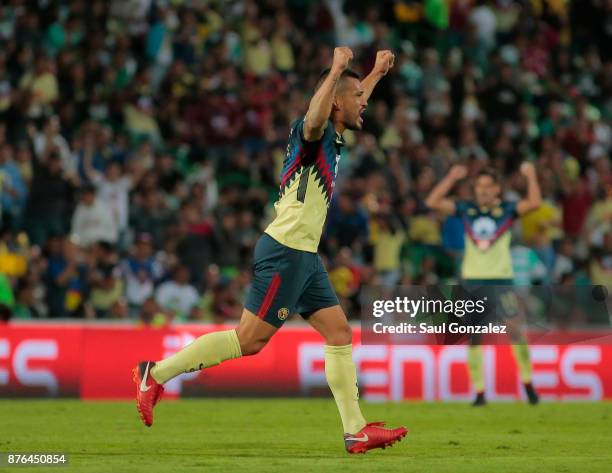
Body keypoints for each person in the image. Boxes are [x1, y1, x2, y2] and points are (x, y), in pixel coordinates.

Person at [133, 47, 407, 453]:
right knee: (249, 340)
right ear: (335, 100)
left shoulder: (333, 130)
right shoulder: (310, 132)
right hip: (286, 251)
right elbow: (320, 113)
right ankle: (154, 374)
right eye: (358, 98)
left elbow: (344, 100)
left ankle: (355, 430)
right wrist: (335, 68)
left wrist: (376, 73)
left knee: (338, 332)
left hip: (304, 255)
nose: (365, 103)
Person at [425, 163, 542, 406]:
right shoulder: (466, 209)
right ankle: (479, 393)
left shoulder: (508, 210)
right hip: (472, 281)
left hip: (500, 280)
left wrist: (531, 176)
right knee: (475, 336)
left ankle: (529, 385)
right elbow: (432, 202)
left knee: (516, 330)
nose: (484, 191)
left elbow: (534, 203)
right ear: (475, 190)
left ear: (498, 189)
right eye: (480, 186)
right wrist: (450, 177)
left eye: (489, 186)